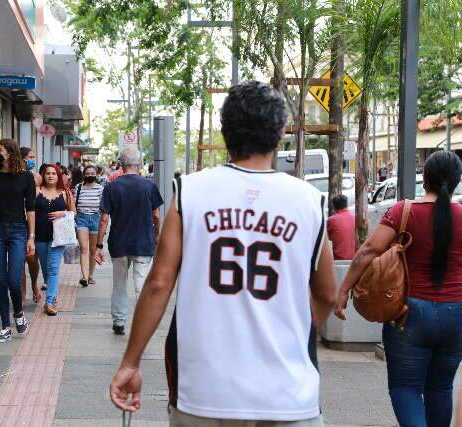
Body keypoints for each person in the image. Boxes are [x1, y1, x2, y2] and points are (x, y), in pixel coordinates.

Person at [109, 81, 336, 426]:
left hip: (203, 391)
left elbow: (159, 284)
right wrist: (290, 336)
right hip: (289, 394)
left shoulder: (191, 192)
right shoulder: (310, 202)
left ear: (225, 132)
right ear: (279, 135)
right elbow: (327, 294)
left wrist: (130, 362)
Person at [336, 150, 462, 427]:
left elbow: (367, 252)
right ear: (455, 182)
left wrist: (344, 290)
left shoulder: (403, 212)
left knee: (405, 388)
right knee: (441, 387)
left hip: (410, 314)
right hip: (457, 315)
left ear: (424, 179)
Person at [95, 147, 163, 336]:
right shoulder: (148, 186)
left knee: (119, 284)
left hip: (119, 243)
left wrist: (98, 245)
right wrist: (157, 235)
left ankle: (119, 321)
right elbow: (156, 215)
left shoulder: (112, 186)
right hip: (143, 242)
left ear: (120, 164)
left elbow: (104, 219)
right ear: (139, 164)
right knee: (141, 285)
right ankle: (143, 323)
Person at [0, 139, 36, 343]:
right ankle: (5, 327)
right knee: (1, 281)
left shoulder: (26, 177)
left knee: (14, 280)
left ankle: (19, 314)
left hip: (18, 230)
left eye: (0, 150)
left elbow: (30, 208)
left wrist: (31, 237)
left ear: (11, 153)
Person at [36, 164, 76, 316]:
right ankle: (52, 295)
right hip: (40, 236)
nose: (51, 176)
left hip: (58, 238)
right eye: (48, 173)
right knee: (46, 269)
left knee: (53, 269)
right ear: (43, 175)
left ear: (58, 176)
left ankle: (49, 302)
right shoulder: (36, 191)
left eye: (54, 173)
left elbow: (74, 213)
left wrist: (62, 213)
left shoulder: (65, 193)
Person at [19, 147, 43, 306]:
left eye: (34, 157)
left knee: (32, 260)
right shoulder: (14, 176)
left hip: (33, 222)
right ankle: (21, 296)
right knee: (19, 260)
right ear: (21, 158)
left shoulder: (37, 177)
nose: (33, 160)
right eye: (30, 157)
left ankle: (34, 284)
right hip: (17, 221)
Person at [74, 165, 104, 287]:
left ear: (96, 175)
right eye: (88, 173)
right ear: (84, 175)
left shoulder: (100, 188)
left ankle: (91, 275)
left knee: (92, 250)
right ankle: (84, 277)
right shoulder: (78, 187)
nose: (90, 175)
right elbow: (74, 203)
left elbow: (103, 207)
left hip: (95, 219)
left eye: (93, 173)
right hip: (81, 219)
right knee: (83, 248)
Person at [327, 194, 356, 260]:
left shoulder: (332, 220)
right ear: (346, 204)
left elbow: (328, 237)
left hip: (338, 258)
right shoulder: (354, 218)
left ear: (334, 206)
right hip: (354, 257)